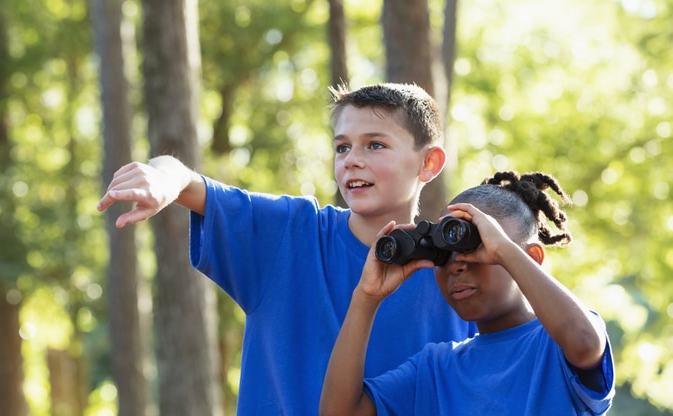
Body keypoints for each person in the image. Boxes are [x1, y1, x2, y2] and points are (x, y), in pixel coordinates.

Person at [97, 83, 476, 414]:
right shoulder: (289, 233)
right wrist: (164, 180)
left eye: (375, 145)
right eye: (342, 148)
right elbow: (186, 178)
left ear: (429, 162)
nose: (352, 161)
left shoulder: (459, 268)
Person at [320, 171, 615, 415]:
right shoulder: (435, 370)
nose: (457, 265)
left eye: (477, 248)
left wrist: (502, 249)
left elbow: (585, 343)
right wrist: (366, 296)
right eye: (444, 254)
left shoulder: (556, 345)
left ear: (531, 258)